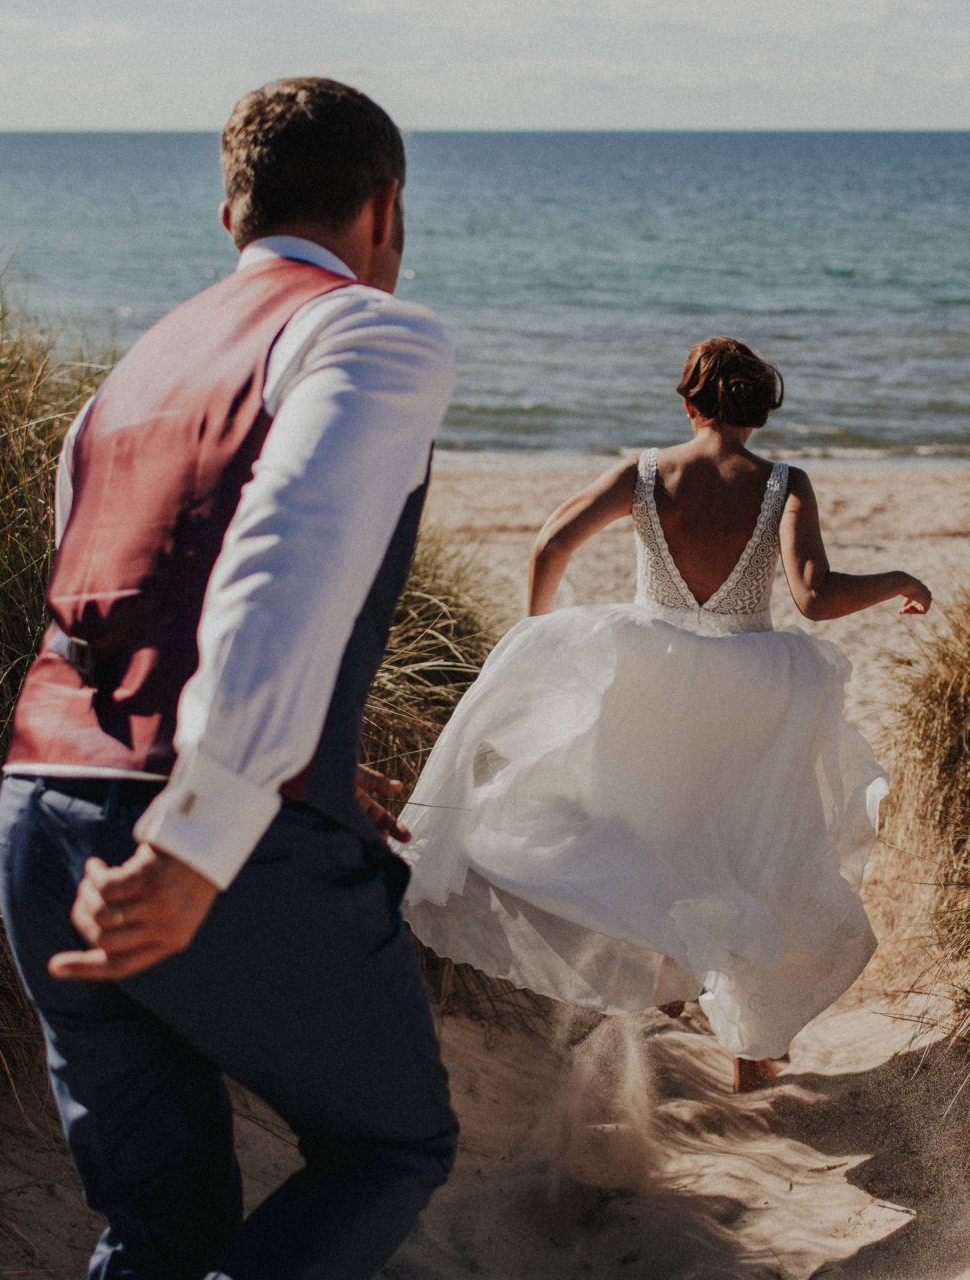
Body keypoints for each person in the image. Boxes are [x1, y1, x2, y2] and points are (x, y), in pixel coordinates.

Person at [0, 78, 457, 1280]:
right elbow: (282, 553)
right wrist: (207, 825)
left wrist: (314, 746)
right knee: (390, 1139)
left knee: (157, 1225)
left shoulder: (132, 372)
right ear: (386, 208)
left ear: (229, 213)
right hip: (199, 832)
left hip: (37, 820)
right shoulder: (367, 328)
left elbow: (122, 600)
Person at [399, 337, 932, 1092]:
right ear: (760, 413)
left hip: (652, 676)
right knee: (748, 852)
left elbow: (552, 541)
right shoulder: (783, 482)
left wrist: (535, 631)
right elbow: (813, 596)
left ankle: (667, 998)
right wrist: (896, 579)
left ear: (688, 403)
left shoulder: (646, 472)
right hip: (749, 690)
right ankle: (752, 1058)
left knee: (645, 840)